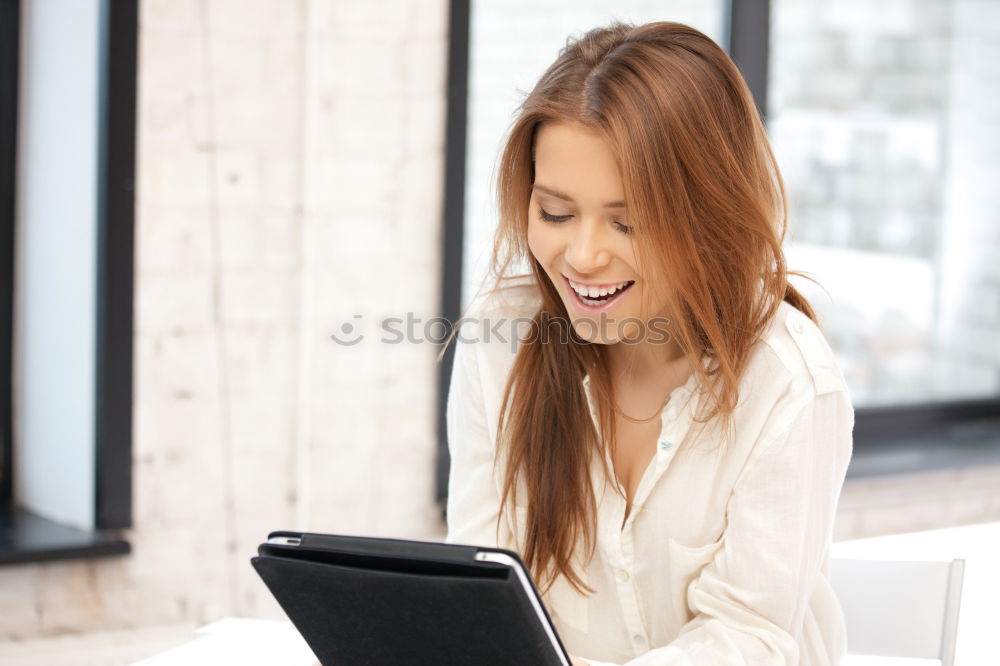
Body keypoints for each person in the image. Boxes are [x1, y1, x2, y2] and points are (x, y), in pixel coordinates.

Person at [442, 20, 854, 666]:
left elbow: (747, 637)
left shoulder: (789, 384)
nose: (581, 256)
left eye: (627, 222)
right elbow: (481, 591)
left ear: (709, 213)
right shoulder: (502, 342)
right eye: (554, 213)